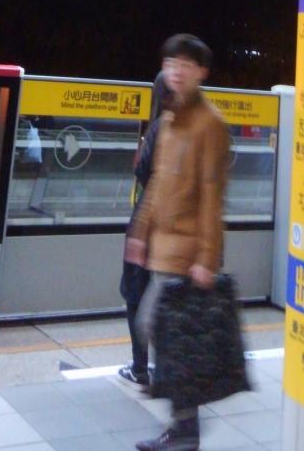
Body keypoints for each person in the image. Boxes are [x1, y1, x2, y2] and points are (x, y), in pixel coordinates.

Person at [128, 34, 230, 451]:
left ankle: (186, 428)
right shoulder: (170, 118)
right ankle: (185, 426)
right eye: (171, 63)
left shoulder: (210, 123)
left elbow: (212, 194)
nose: (176, 71)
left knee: (162, 332)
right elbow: (157, 182)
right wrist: (140, 231)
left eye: (186, 64)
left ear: (201, 71)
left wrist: (207, 257)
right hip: (162, 247)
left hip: (186, 253)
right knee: (162, 333)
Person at [118, 72, 173, 389]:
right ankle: (163, 370)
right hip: (171, 230)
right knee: (167, 296)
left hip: (148, 224)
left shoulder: (159, 127)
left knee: (136, 293)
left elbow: (144, 173)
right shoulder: (187, 126)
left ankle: (141, 367)